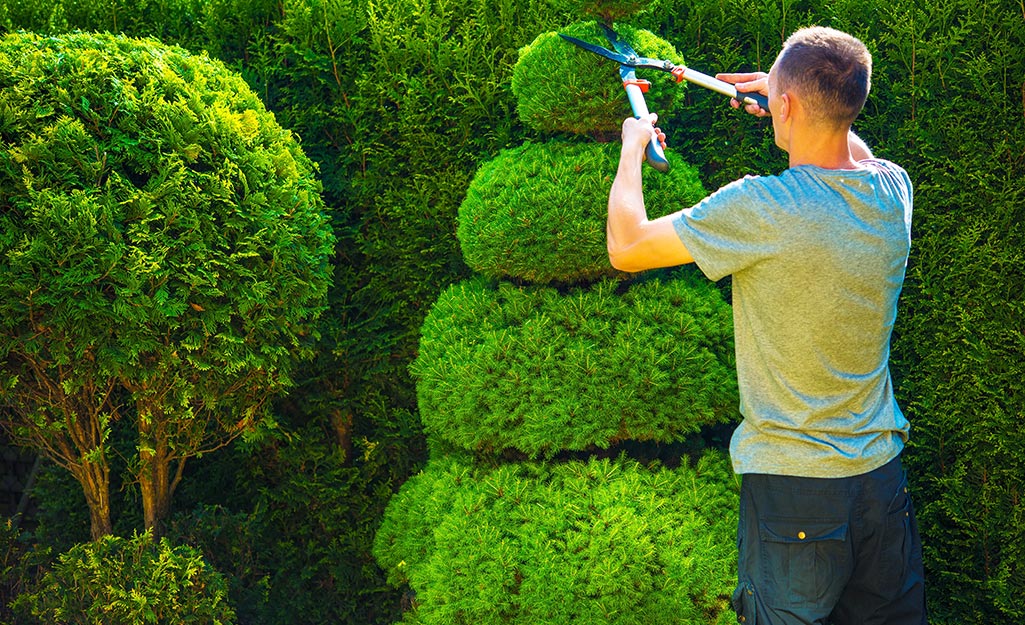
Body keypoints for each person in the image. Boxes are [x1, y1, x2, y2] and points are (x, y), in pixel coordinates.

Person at [607, 26, 926, 624]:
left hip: (794, 496)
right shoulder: (893, 192)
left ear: (785, 105)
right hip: (881, 485)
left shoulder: (762, 208)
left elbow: (627, 246)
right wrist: (791, 104)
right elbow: (851, 151)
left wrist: (630, 148)